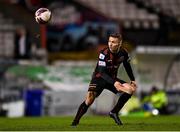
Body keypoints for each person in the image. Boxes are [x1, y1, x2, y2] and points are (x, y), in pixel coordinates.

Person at [71, 33, 137, 126]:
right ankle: (75, 121)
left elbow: (127, 65)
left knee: (130, 90)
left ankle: (114, 112)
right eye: (109, 41)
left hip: (112, 79)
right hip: (99, 78)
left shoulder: (124, 53)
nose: (110, 44)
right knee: (89, 99)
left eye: (113, 42)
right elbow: (101, 73)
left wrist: (132, 79)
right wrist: (115, 83)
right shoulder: (104, 53)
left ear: (119, 43)